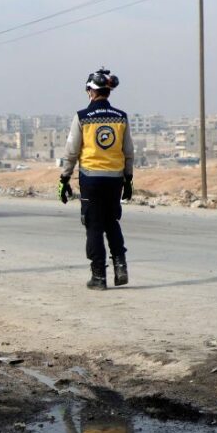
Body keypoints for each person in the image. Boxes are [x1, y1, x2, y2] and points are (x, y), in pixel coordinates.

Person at [59, 68, 135, 290]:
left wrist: (64, 179)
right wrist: (128, 179)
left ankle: (99, 276)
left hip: (91, 179)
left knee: (93, 225)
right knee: (112, 222)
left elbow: (71, 151)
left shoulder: (82, 117)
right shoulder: (121, 117)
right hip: (115, 179)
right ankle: (121, 266)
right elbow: (128, 151)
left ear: (91, 92)